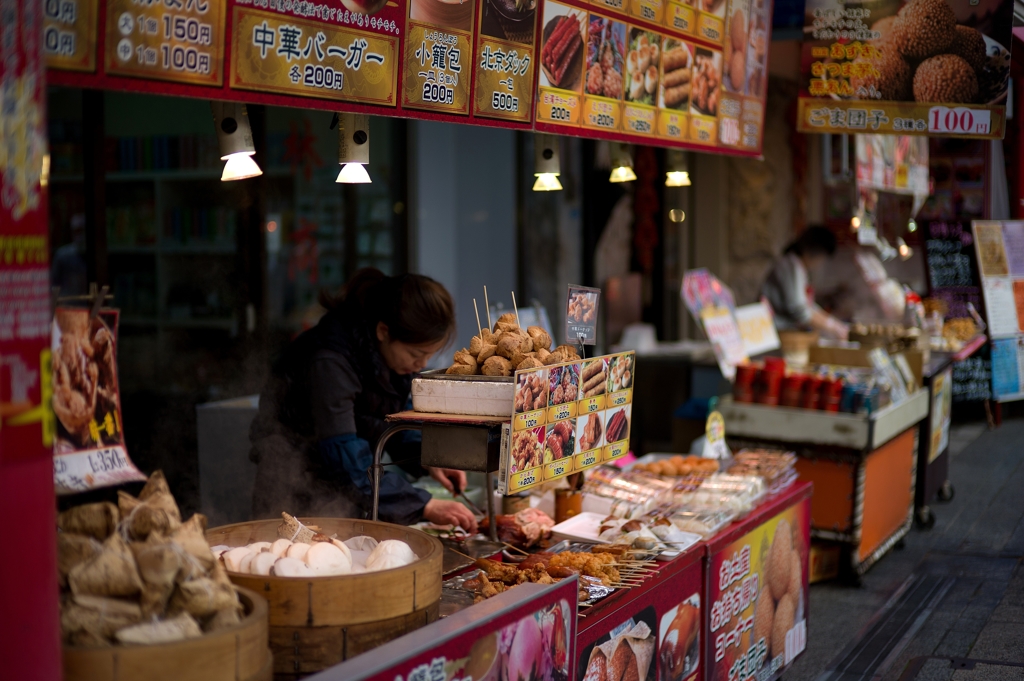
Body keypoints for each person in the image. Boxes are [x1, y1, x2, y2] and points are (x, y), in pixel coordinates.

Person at [249, 268, 478, 532]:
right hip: (295, 492)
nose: (422, 364)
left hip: (342, 494)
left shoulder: (385, 357)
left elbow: (390, 418)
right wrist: (424, 505)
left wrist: (428, 458)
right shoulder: (330, 361)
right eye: (416, 353)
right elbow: (343, 460)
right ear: (383, 331)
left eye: (429, 355)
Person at [761, 225, 849, 340]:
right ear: (816, 252)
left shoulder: (798, 267)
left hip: (783, 334)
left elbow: (808, 306)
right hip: (775, 334)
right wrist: (833, 326)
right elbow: (800, 310)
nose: (820, 263)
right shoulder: (791, 266)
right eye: (822, 257)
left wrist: (835, 324)